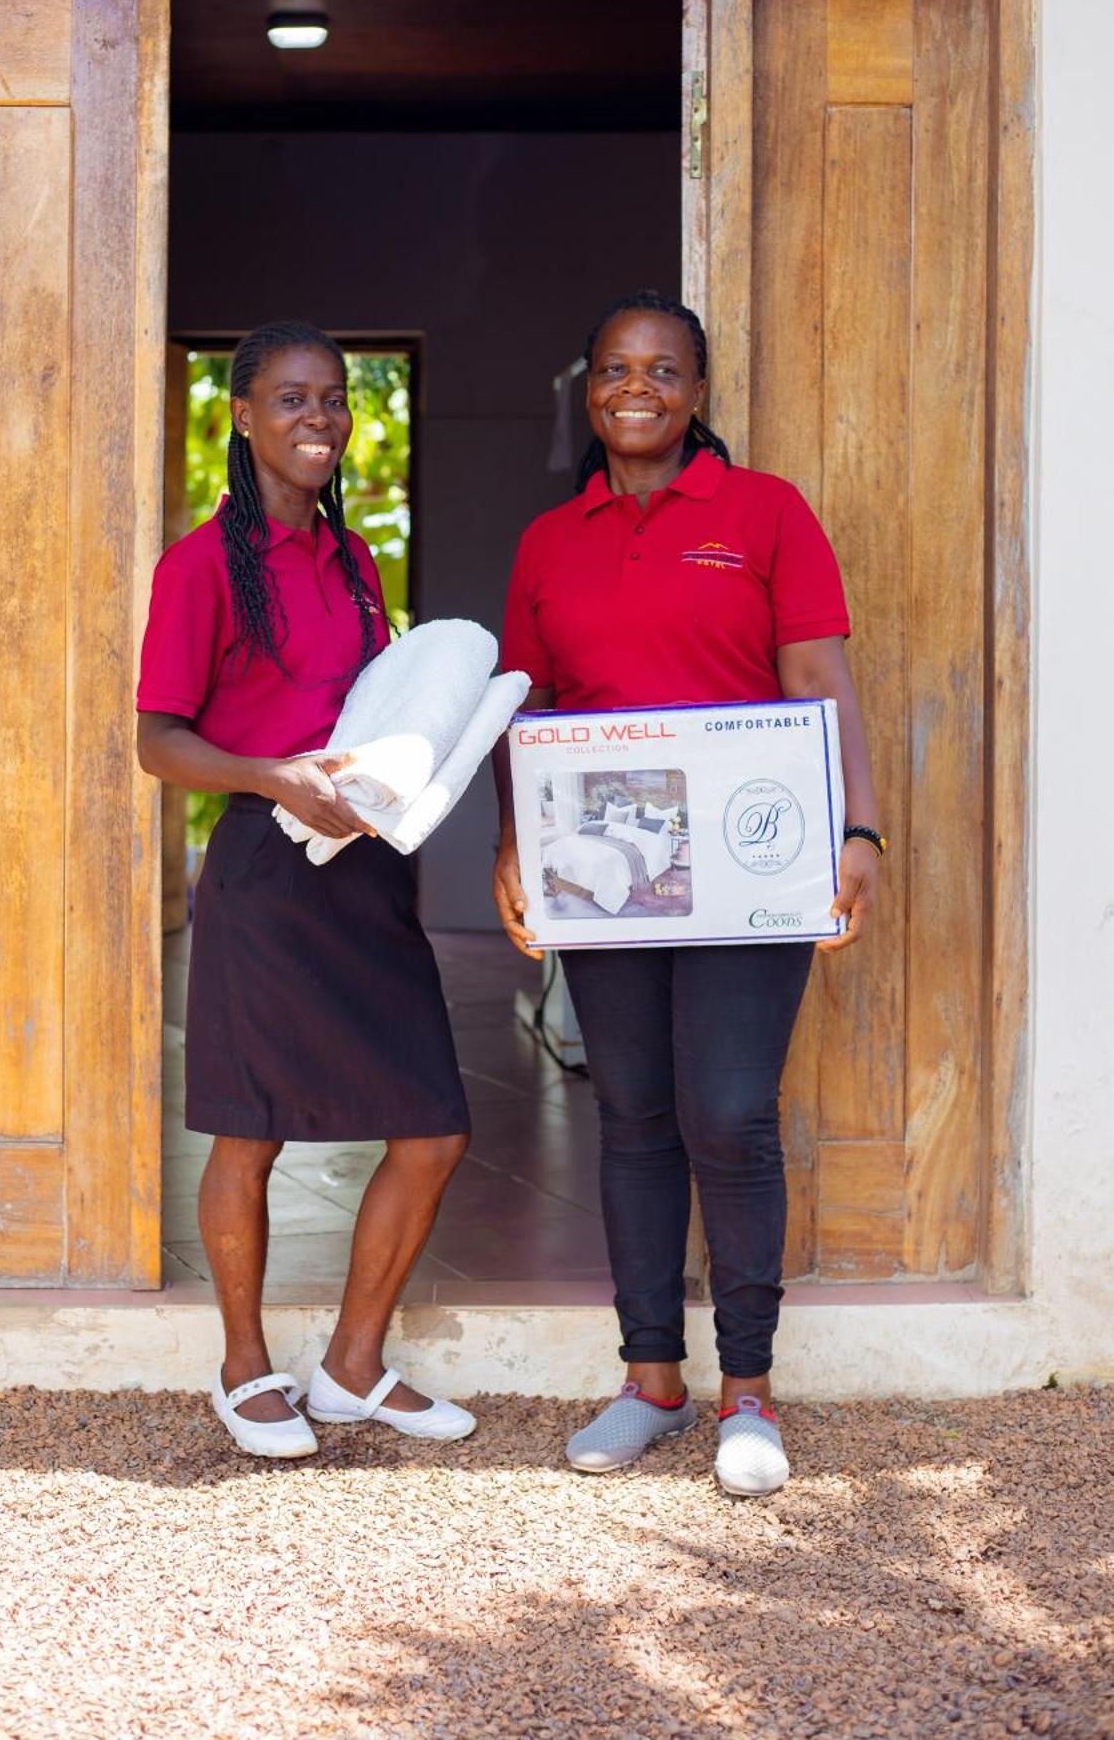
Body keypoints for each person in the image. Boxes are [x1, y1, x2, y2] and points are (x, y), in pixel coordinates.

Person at [493, 290, 882, 1496]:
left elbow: (818, 681)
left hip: (748, 869)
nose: (636, 387)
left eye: (663, 369)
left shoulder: (764, 512)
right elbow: (526, 714)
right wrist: (513, 851)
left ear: (699, 391)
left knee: (728, 1114)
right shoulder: (550, 540)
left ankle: (748, 1390)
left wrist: (854, 828)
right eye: (615, 368)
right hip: (605, 875)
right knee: (635, 1116)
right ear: (589, 390)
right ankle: (650, 1377)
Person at [138, 320, 474, 1458]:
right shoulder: (197, 566)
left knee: (431, 1126)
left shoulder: (354, 557)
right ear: (241, 416)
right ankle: (242, 1367)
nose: (318, 419)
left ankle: (350, 1366)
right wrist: (267, 773)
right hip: (263, 865)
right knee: (250, 1131)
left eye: (332, 398)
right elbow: (155, 740)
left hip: (365, 866)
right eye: (290, 399)